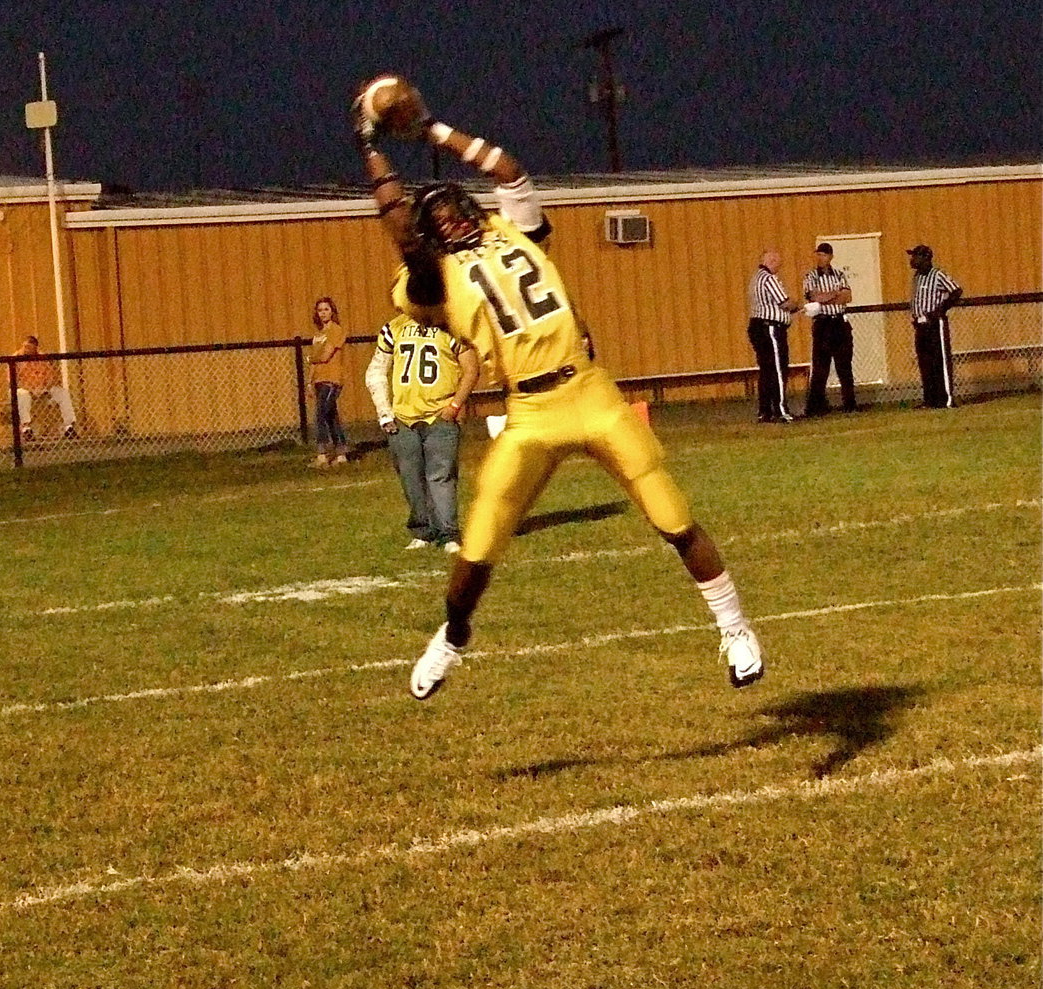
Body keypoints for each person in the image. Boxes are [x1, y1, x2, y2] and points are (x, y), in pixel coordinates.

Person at [351, 79, 766, 700]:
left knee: (673, 516)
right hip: (529, 411)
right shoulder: (431, 276)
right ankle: (452, 637)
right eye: (436, 215)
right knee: (478, 547)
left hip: (590, 390)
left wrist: (435, 130)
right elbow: (399, 226)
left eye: (454, 205)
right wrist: (369, 146)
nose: (449, 216)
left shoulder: (513, 231)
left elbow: (509, 170)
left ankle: (734, 627)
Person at [365, 312, 479, 553]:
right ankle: (423, 531)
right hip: (403, 417)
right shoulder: (394, 327)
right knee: (411, 479)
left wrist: (455, 405)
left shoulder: (452, 326)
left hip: (439, 413)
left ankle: (448, 534)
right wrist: (384, 412)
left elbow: (471, 368)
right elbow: (375, 373)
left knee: (441, 477)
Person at [802, 242, 858, 416]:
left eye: (823, 255)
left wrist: (827, 298)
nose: (820, 258)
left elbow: (847, 297)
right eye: (818, 255)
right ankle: (816, 406)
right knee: (821, 366)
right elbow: (815, 297)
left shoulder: (839, 274)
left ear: (830, 257)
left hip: (839, 323)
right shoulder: (811, 276)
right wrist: (834, 294)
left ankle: (850, 403)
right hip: (823, 324)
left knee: (844, 365)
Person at [907, 244, 962, 408]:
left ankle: (946, 398)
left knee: (940, 361)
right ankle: (929, 399)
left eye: (915, 256)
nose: (912, 260)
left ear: (925, 258)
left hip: (934, 324)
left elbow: (956, 291)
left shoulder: (937, 275)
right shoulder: (917, 277)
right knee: (925, 362)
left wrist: (940, 310)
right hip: (920, 325)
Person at [747, 251, 799, 423]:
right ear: (771, 261)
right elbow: (784, 302)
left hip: (758, 327)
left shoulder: (755, 278)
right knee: (777, 369)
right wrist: (796, 305)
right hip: (770, 328)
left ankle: (765, 410)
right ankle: (781, 410)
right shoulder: (769, 279)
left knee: (766, 370)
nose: (779, 266)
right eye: (778, 262)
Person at [309, 296, 349, 465]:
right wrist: (310, 382)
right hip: (319, 378)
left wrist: (311, 358)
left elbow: (325, 356)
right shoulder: (318, 334)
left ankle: (322, 453)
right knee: (331, 416)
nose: (323, 313)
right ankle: (341, 453)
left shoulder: (336, 330)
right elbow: (315, 360)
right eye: (320, 310)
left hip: (331, 379)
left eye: (326, 309)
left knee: (320, 414)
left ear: (332, 311)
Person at [13, 335, 77, 440]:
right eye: (25, 347)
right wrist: (31, 389)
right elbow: (14, 381)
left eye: (29, 348)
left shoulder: (42, 358)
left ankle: (69, 427)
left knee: (62, 393)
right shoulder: (16, 359)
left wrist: (45, 388)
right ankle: (26, 428)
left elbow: (51, 378)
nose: (26, 350)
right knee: (22, 395)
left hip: (43, 388)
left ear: (35, 348)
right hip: (25, 389)